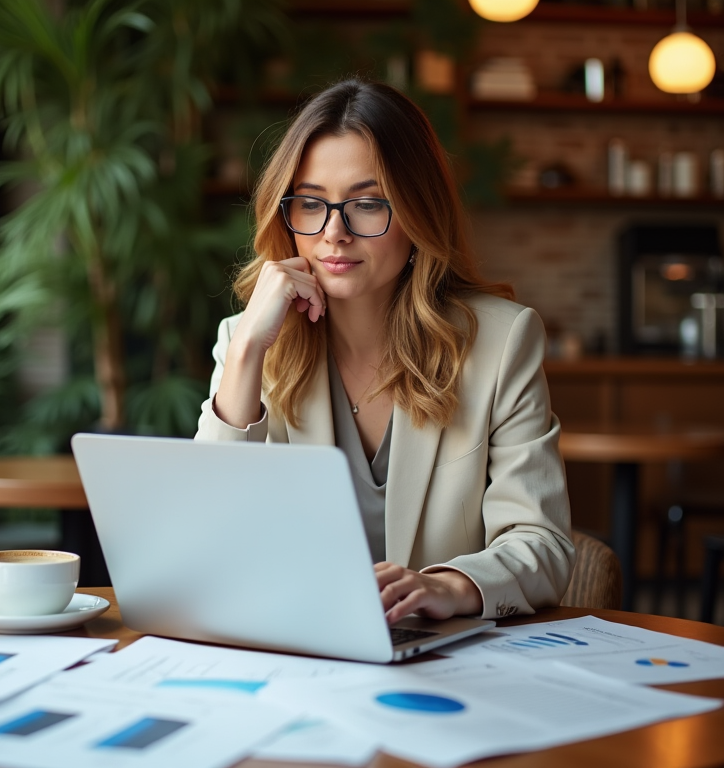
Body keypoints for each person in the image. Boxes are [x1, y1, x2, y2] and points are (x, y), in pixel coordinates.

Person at [195, 78, 575, 624]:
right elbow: (206, 541)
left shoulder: (501, 342)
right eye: (310, 204)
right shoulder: (246, 343)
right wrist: (248, 350)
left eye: (367, 205)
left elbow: (543, 543)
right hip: (294, 655)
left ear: (419, 211)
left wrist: (450, 586)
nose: (334, 234)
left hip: (445, 670)